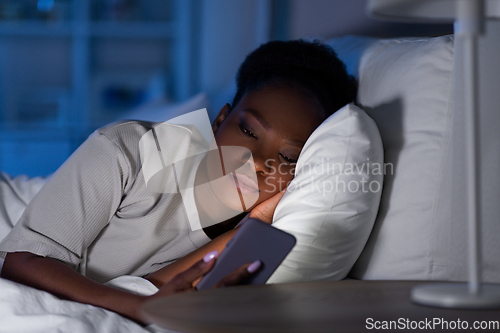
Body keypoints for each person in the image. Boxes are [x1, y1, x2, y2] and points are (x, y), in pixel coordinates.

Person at [0, 39, 356, 324]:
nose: (258, 162)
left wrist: (250, 228)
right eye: (248, 130)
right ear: (219, 121)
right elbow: (22, 263)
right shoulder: (129, 149)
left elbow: (158, 289)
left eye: (287, 157)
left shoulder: (267, 223)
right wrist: (142, 309)